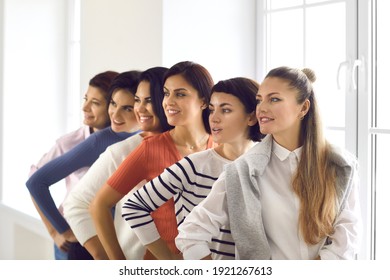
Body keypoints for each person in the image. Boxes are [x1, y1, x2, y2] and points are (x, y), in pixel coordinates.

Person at [175, 66, 362, 260]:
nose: (261, 108)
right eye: (259, 100)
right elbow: (191, 234)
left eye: (274, 99)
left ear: (303, 107)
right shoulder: (242, 172)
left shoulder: (341, 166)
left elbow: (348, 236)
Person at [121, 77, 263, 260]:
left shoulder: (265, 165)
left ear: (251, 117)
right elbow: (134, 207)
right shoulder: (194, 165)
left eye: (225, 110)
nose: (214, 118)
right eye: (212, 110)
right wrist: (169, 260)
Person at [90, 61, 214, 260]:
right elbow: (99, 205)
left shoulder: (221, 146)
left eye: (180, 94)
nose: (168, 102)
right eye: (166, 93)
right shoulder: (151, 148)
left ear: (204, 101)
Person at [26, 70, 142, 259]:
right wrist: (59, 231)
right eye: (114, 103)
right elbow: (35, 181)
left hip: (115, 236)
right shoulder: (95, 141)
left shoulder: (136, 138)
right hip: (82, 235)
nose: (85, 107)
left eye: (95, 103)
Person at [63, 67, 172, 260]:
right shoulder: (122, 151)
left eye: (147, 100)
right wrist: (110, 260)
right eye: (137, 101)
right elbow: (76, 203)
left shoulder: (199, 149)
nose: (139, 108)